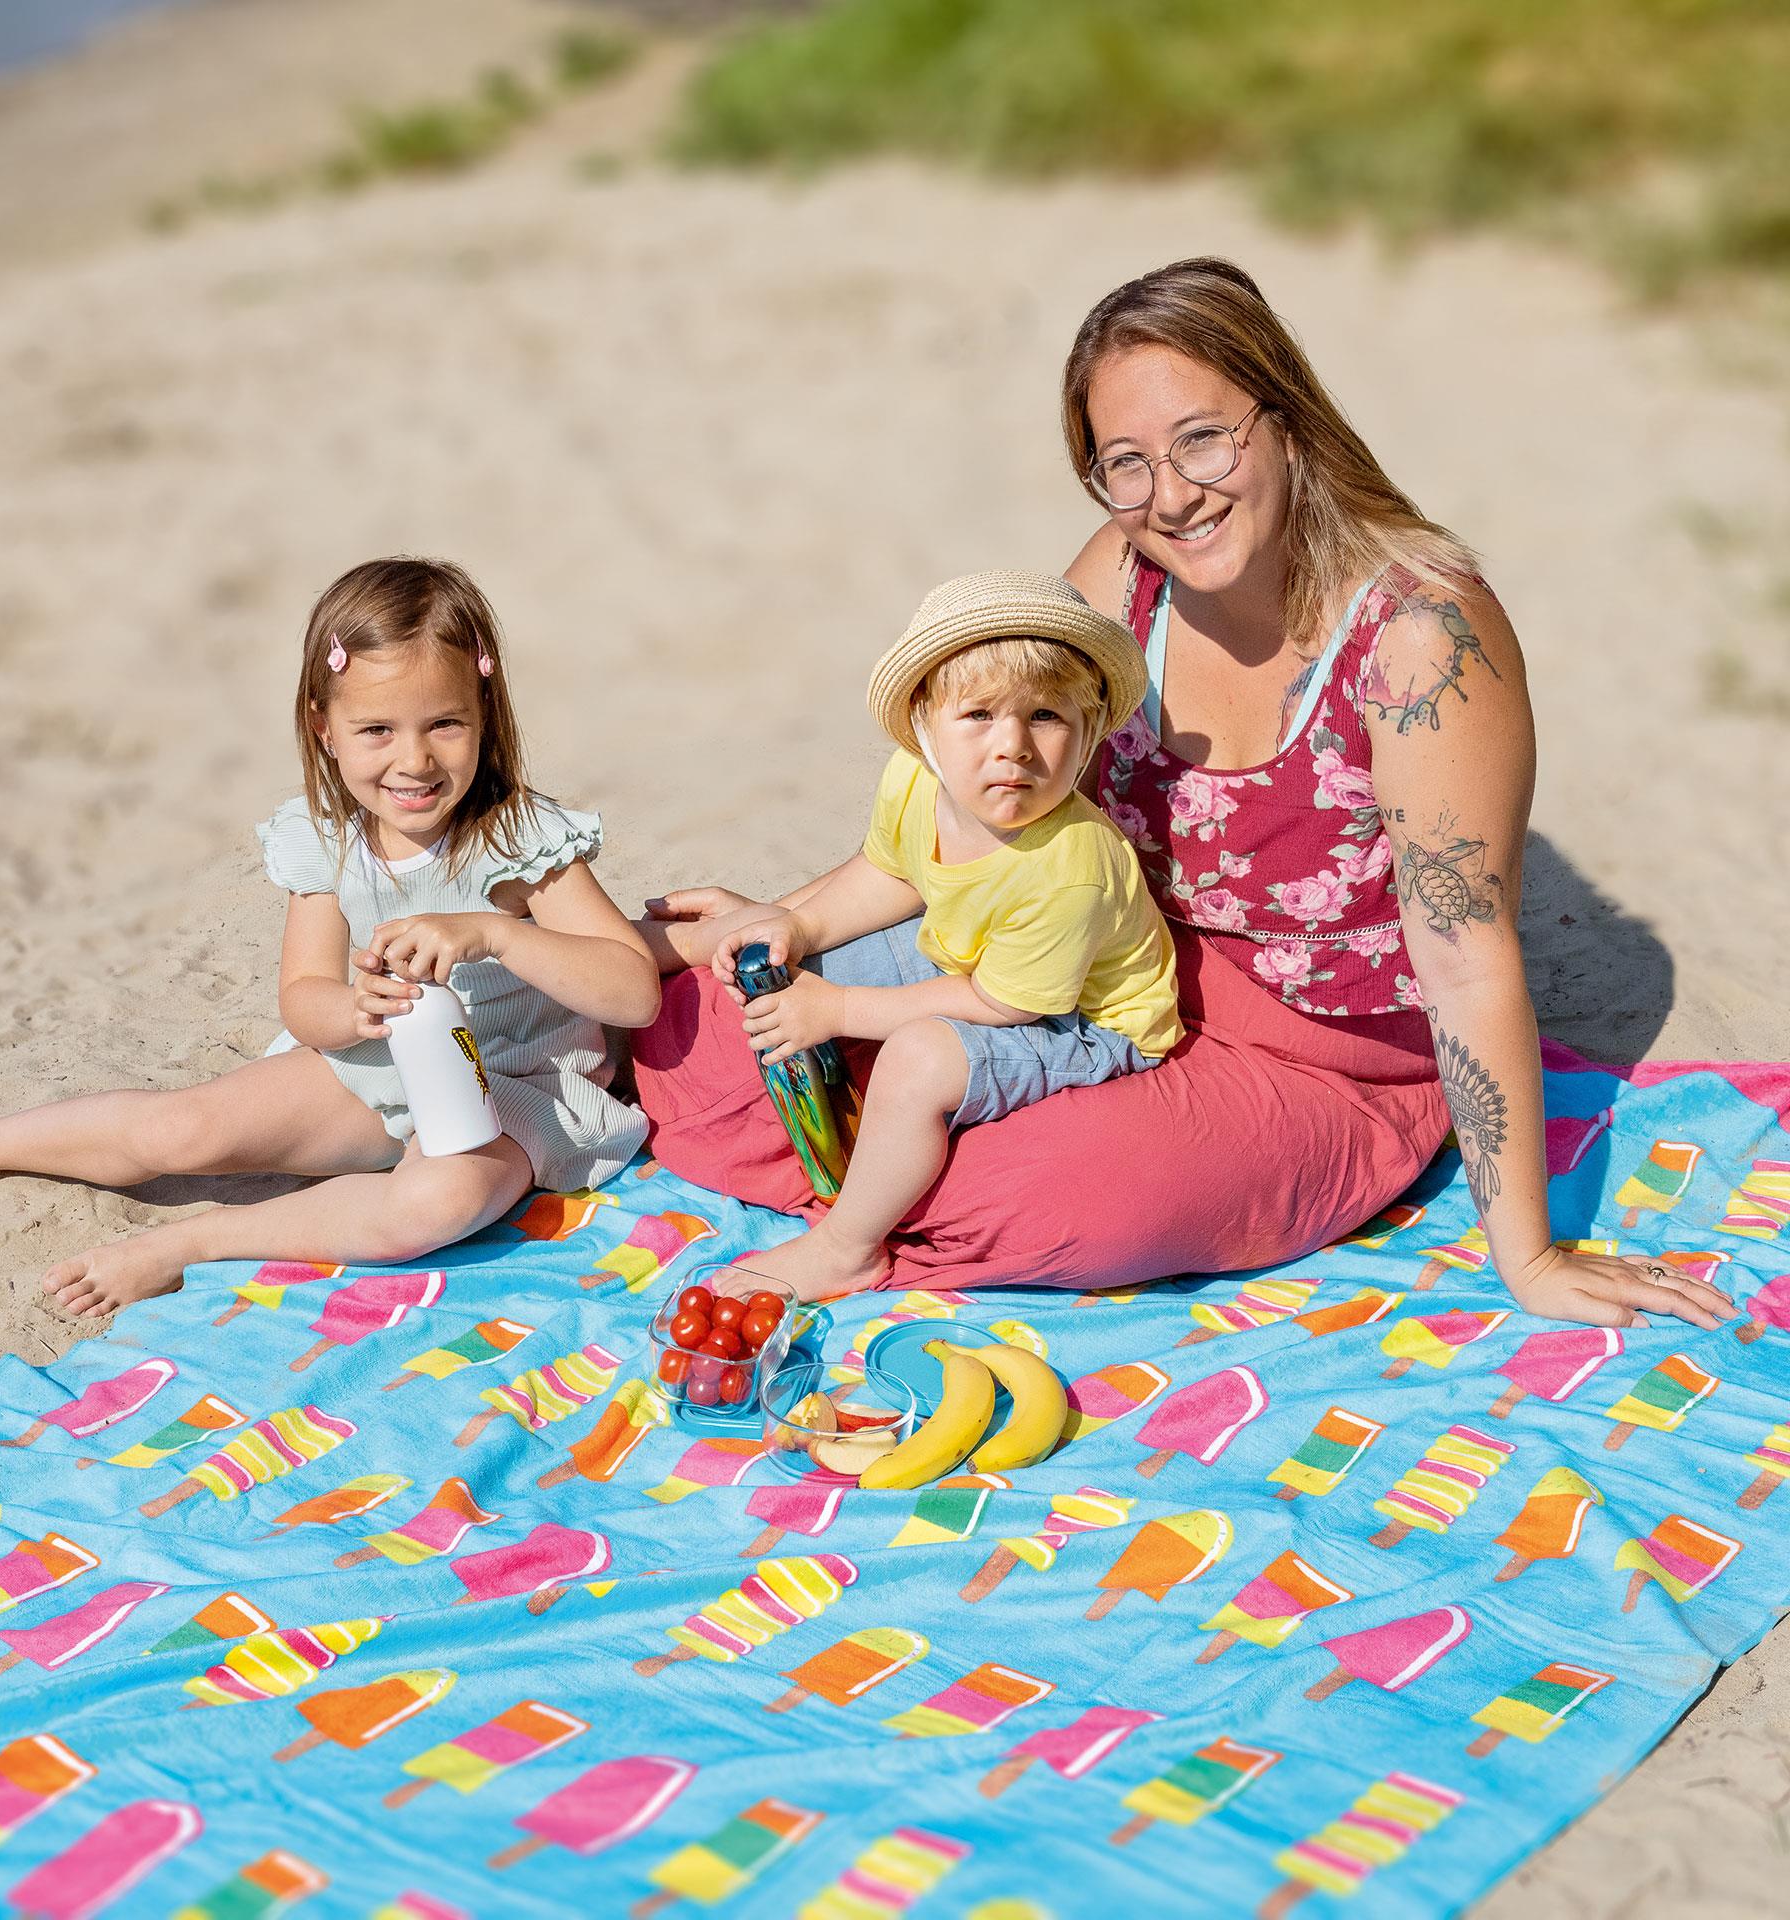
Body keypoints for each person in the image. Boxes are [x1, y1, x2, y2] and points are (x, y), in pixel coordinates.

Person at [638, 258, 1735, 1333]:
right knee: (723, 1041)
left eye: (1203, 439)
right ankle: (876, 1169)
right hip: (1106, 970)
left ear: (1287, 416)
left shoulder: (1419, 639)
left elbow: (1464, 954)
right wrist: (799, 913)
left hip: (1321, 1061)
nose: (1168, 495)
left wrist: (1531, 1255)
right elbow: (981, 797)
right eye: (1125, 462)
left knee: (1033, 1188)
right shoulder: (1125, 575)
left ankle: (885, 1201)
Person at [0, 556, 659, 1314]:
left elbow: (631, 991)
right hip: (381, 1064)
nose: (413, 760)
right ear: (325, 728)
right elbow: (303, 999)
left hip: (517, 1090)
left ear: (485, 714)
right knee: (182, 1129)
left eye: (444, 724)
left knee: (439, 1200)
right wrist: (355, 1012)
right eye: (377, 729)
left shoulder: (517, 838)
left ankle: (206, 1239)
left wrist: (497, 935)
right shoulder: (326, 839)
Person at [694, 569, 1182, 1301]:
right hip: (981, 960)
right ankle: (810, 1130)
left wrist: (840, 1010)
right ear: (924, 724)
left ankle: (849, 1246)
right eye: (979, 714)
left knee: (920, 1056)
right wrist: (800, 923)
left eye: (1046, 717)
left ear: (1086, 737)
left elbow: (1003, 1005)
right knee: (806, 965)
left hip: (1085, 1017)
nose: (1012, 745)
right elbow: (888, 874)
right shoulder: (915, 779)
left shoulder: (1070, 866)